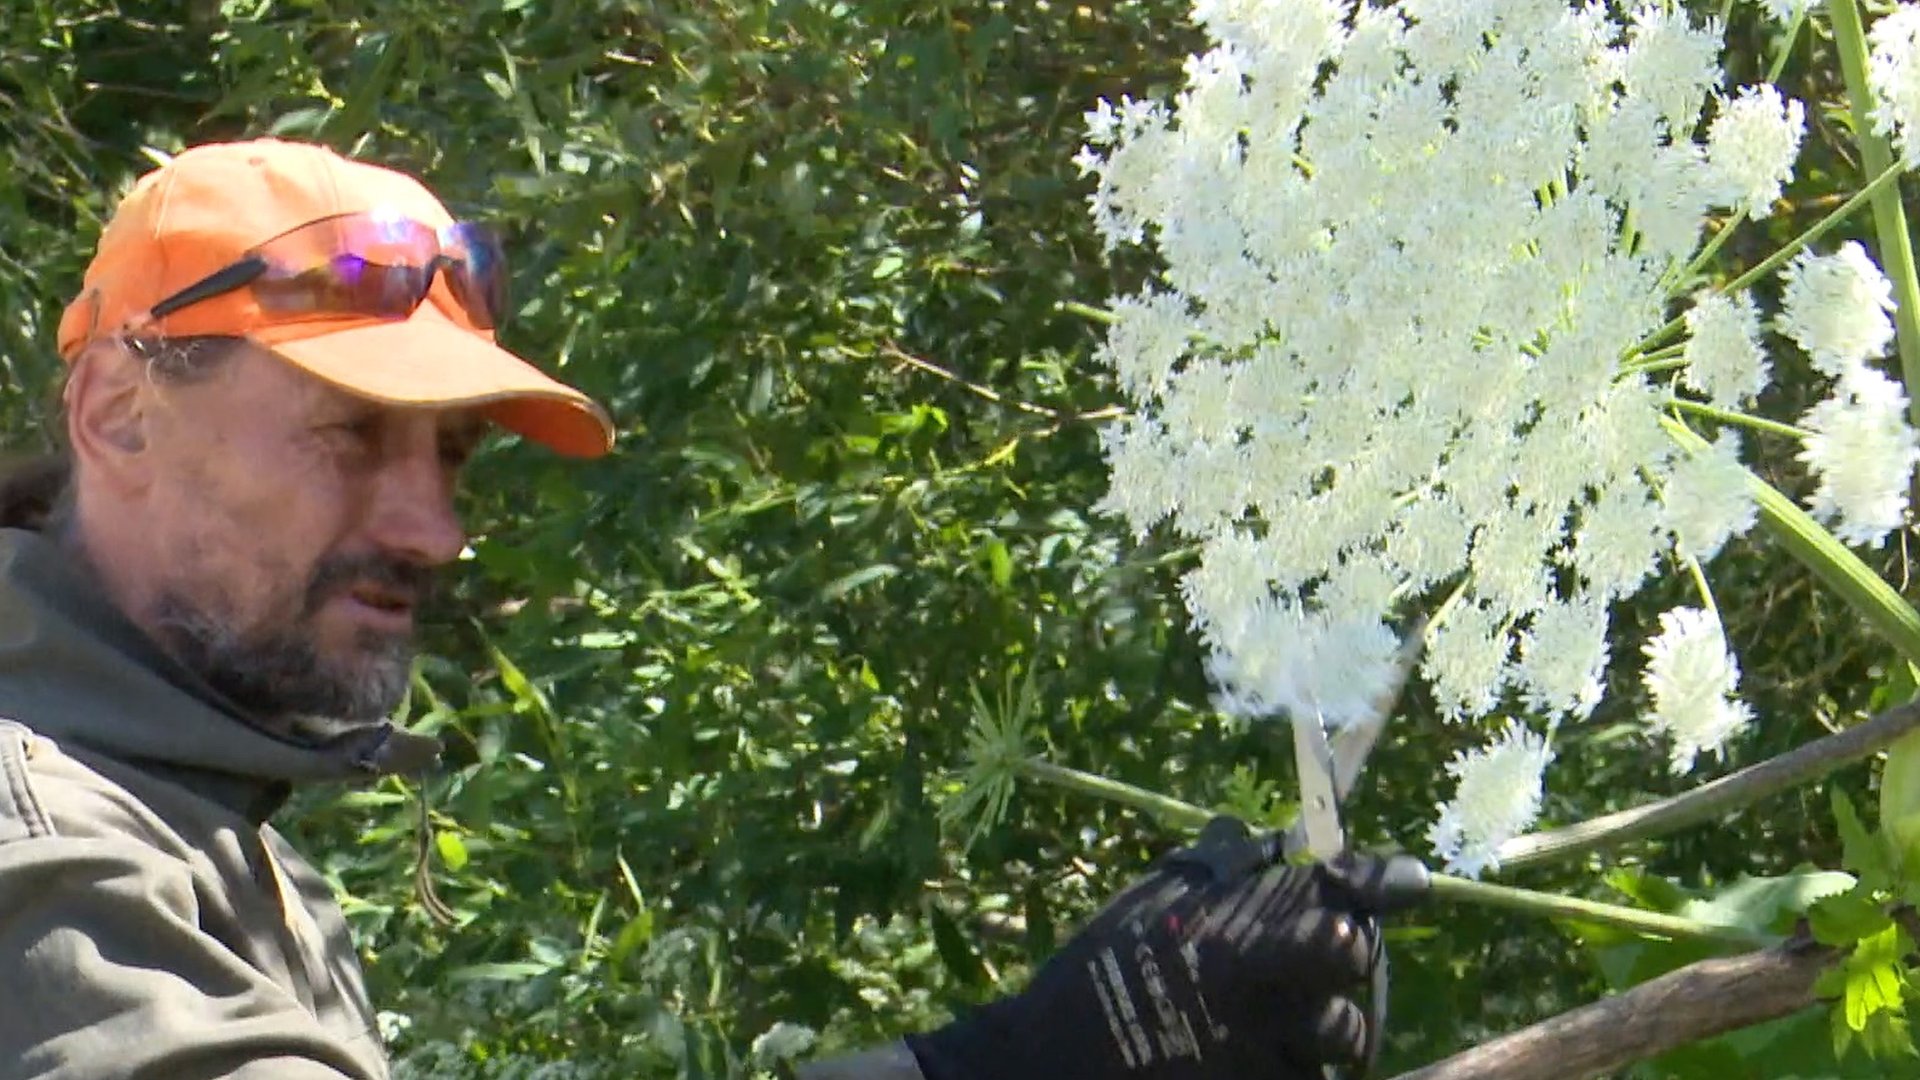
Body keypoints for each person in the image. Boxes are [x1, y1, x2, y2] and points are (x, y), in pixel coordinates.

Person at [0, 138, 1424, 1080]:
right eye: (352, 436)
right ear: (120, 412)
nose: (433, 529)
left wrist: (1027, 1054)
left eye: (452, 454)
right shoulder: (43, 839)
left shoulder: (196, 814)